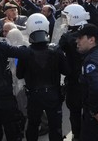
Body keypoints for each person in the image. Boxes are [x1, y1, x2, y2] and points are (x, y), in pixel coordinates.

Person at [16, 13, 69, 141]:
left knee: (33, 125)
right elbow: (66, 70)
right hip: (53, 94)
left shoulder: (25, 52)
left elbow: (19, 75)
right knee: (55, 126)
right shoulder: (56, 50)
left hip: (34, 95)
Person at [59, 4, 91, 140]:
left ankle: (77, 136)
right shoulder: (91, 32)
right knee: (90, 110)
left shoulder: (67, 37)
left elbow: (58, 54)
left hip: (74, 80)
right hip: (90, 78)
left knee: (75, 111)